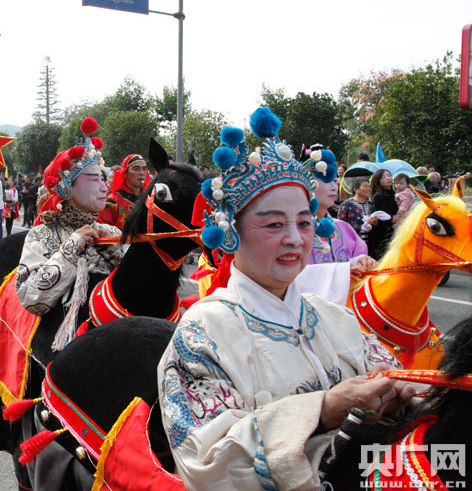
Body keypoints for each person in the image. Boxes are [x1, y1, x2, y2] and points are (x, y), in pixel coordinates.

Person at [159, 108, 412, 490]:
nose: (295, 238)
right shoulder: (202, 334)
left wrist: (397, 401)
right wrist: (323, 411)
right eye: (274, 224)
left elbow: (400, 387)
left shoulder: (335, 318)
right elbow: (207, 461)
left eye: (305, 223)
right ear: (231, 233)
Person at [15, 127, 125, 349]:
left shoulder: (112, 233)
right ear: (67, 188)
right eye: (94, 179)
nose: (104, 187)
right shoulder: (42, 234)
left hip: (113, 337)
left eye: (103, 179)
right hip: (61, 344)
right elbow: (31, 299)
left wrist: (113, 249)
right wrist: (72, 247)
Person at [309, 161, 370, 266]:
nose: (334, 187)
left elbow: (360, 255)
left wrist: (359, 261)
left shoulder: (344, 228)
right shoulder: (297, 231)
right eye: (327, 181)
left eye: (334, 181)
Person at [98, 154, 150, 230]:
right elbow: (103, 231)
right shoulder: (112, 202)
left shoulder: (149, 200)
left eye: (144, 169)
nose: (142, 173)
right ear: (125, 173)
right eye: (136, 169)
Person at [368, 169, 399, 259]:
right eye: (383, 177)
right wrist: (402, 218)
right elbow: (386, 217)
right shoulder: (379, 196)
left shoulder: (395, 194)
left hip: (396, 232)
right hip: (384, 235)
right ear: (378, 181)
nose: (388, 178)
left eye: (389, 175)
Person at [338, 178, 376, 248]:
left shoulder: (371, 205)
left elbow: (376, 224)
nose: (368, 189)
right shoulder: (346, 204)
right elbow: (340, 225)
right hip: (352, 243)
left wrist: (374, 222)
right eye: (365, 186)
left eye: (369, 186)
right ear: (356, 189)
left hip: (369, 243)